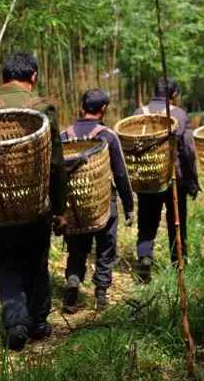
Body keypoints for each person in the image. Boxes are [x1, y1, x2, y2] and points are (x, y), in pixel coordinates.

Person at [0, 50, 68, 351]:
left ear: (3, 77)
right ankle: (38, 322)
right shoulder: (42, 109)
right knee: (36, 261)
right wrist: (60, 209)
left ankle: (16, 321)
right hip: (35, 206)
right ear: (33, 76)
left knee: (6, 264)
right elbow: (56, 165)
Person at [60, 89, 134, 312]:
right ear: (103, 109)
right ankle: (101, 292)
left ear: (82, 106)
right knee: (105, 248)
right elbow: (121, 174)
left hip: (75, 206)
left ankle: (73, 279)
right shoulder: (108, 136)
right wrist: (129, 206)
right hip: (103, 204)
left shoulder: (64, 136)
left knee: (77, 248)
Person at [133, 77, 198, 280]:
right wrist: (192, 180)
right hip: (174, 179)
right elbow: (187, 150)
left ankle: (145, 257)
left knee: (146, 221)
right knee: (176, 221)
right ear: (174, 95)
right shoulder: (179, 114)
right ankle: (178, 262)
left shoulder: (138, 114)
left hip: (147, 179)